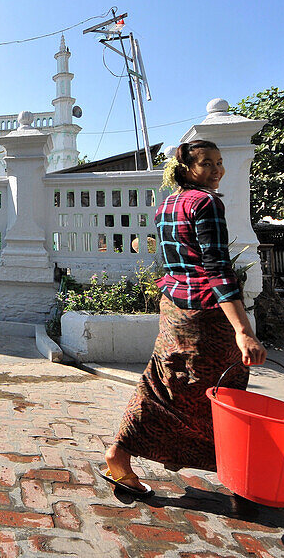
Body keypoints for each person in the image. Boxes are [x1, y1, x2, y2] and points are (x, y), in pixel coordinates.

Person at [101, 139, 266, 497]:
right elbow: (218, 269)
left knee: (163, 382)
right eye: (206, 163)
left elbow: (170, 261)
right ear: (187, 168)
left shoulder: (167, 206)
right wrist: (243, 330)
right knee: (221, 389)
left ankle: (121, 452)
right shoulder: (206, 203)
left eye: (219, 162)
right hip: (205, 314)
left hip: (174, 307)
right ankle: (239, 469)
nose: (217, 170)